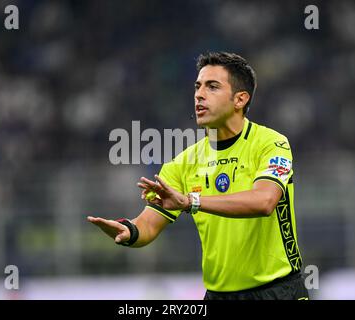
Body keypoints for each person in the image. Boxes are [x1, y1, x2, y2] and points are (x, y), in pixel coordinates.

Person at [88, 52, 309, 300]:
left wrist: (191, 202)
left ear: (240, 99)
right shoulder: (183, 163)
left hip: (278, 291)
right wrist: (129, 232)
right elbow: (148, 224)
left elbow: (264, 202)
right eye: (198, 86)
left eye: (212, 86)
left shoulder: (271, 144)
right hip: (218, 296)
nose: (199, 94)